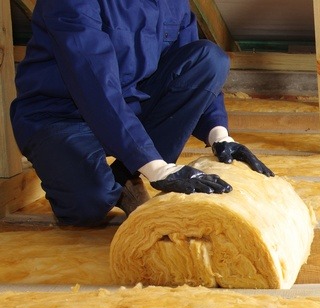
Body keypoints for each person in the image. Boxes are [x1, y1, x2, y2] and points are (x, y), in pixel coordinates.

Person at [10, 0, 274, 227]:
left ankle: (125, 176)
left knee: (209, 59)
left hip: (130, 106)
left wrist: (219, 134)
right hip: (60, 115)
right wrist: (157, 167)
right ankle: (114, 178)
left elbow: (194, 69)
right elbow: (96, 87)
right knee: (88, 206)